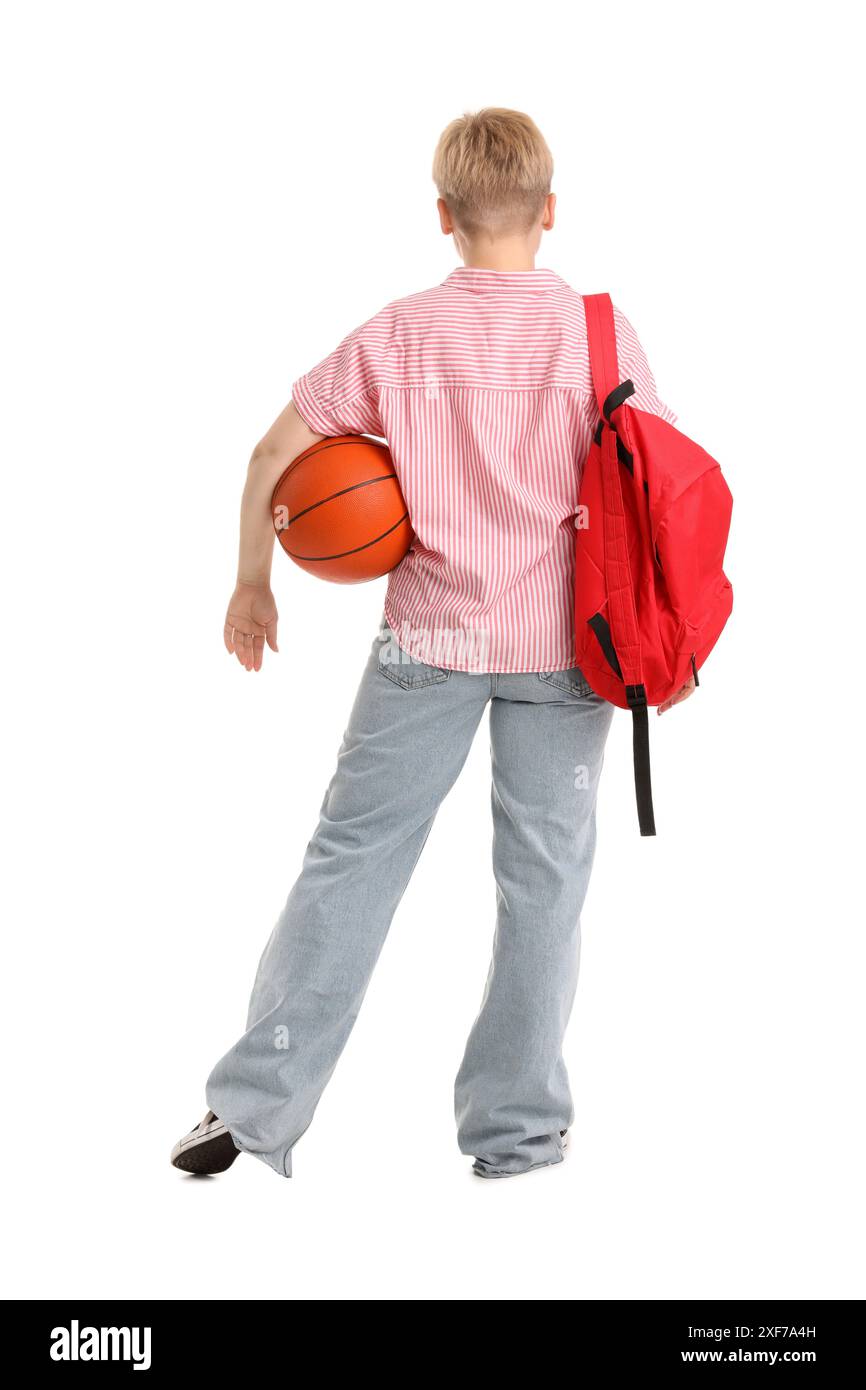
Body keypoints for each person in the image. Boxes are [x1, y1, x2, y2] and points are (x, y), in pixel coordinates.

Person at [171, 107, 689, 1182]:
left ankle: (252, 1110)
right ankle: (517, 1137)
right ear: (548, 213)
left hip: (428, 638)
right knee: (542, 883)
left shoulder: (400, 331)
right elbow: (651, 487)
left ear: (443, 219)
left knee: (350, 859)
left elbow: (273, 450)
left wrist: (252, 583)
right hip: (567, 647)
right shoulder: (597, 331)